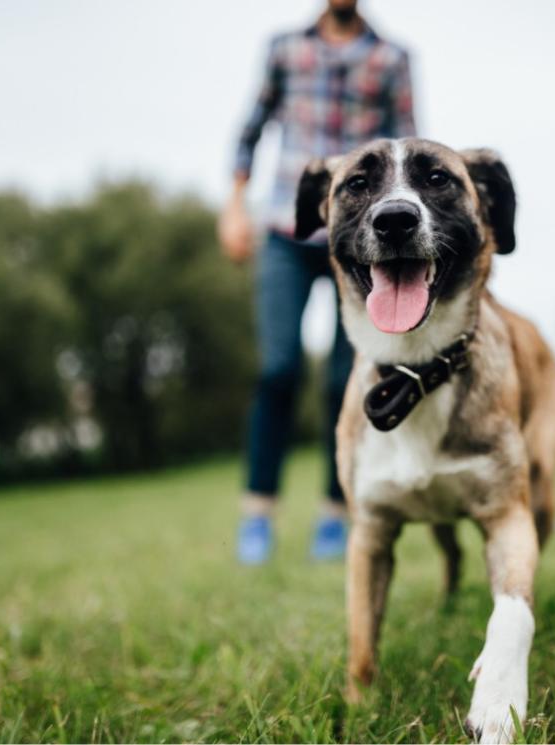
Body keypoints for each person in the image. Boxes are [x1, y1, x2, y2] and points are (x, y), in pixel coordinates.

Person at [219, 0, 416, 564]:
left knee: (343, 379)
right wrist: (234, 207)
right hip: (286, 227)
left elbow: (408, 144)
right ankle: (258, 513)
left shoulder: (392, 58)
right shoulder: (285, 49)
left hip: (359, 238)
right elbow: (250, 131)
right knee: (276, 369)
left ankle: (335, 514)